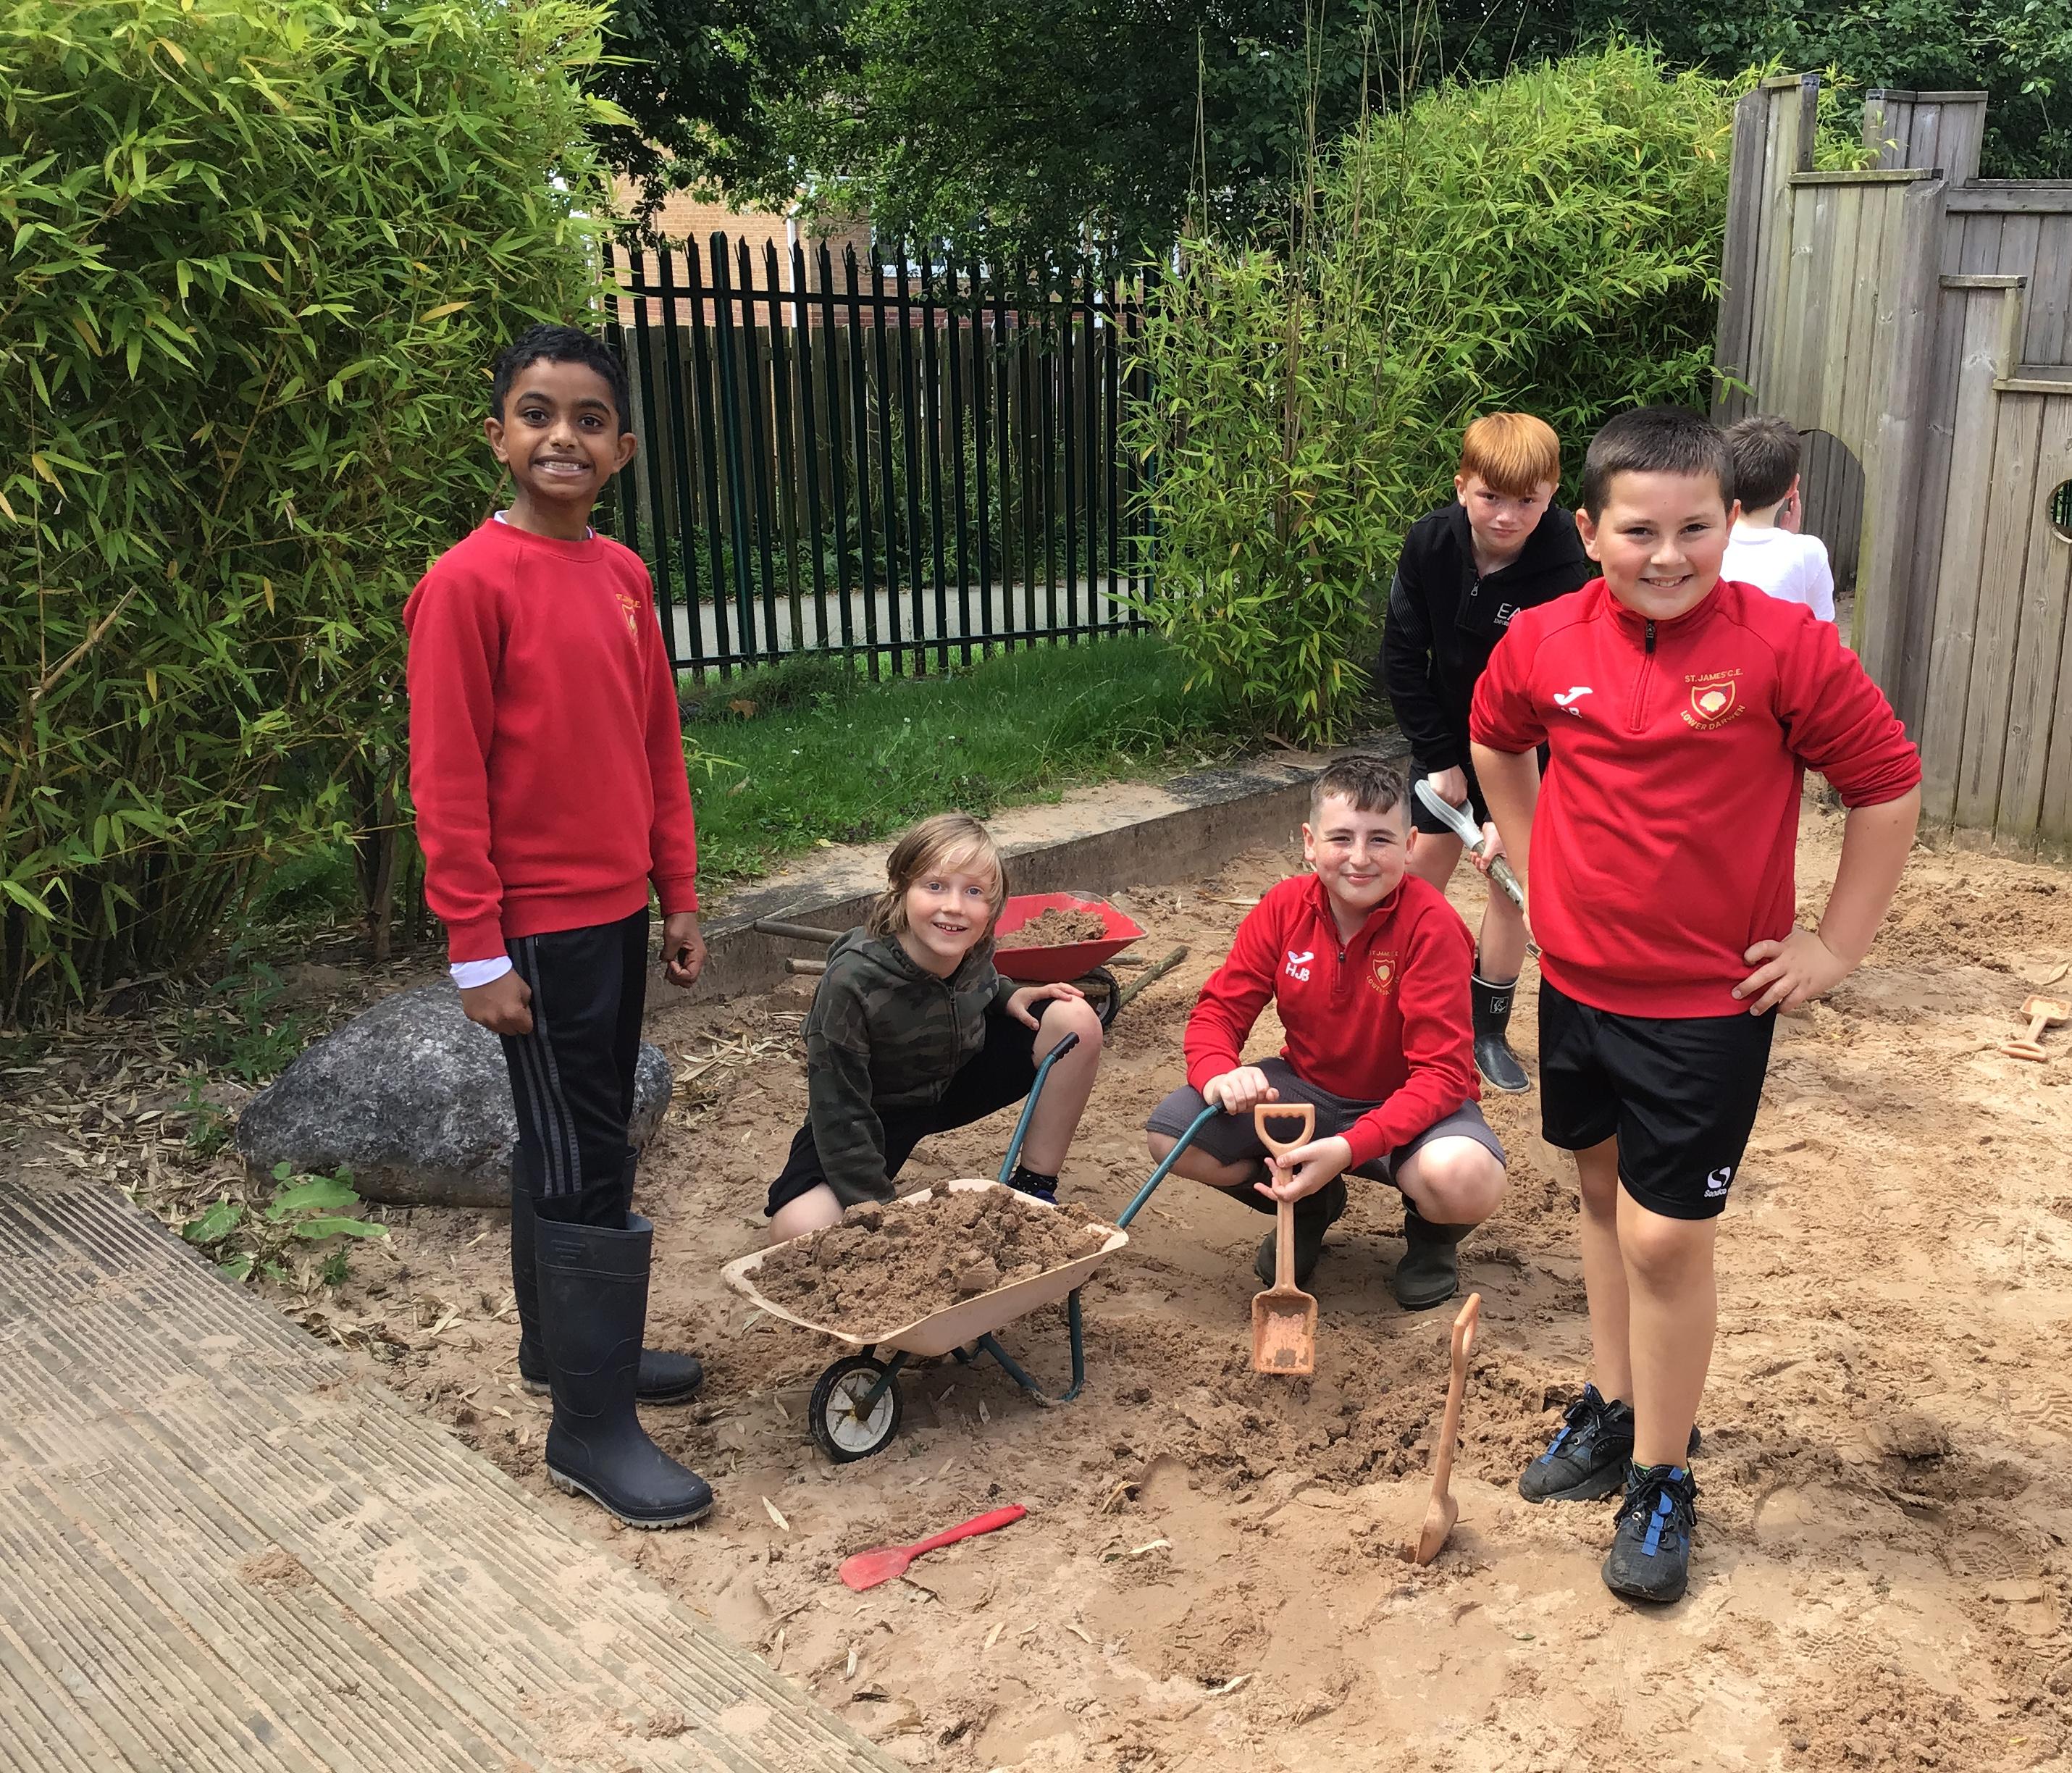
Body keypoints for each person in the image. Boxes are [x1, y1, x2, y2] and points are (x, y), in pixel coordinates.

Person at [1469, 406, 1921, 1603]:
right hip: (1576, 983)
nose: (1666, 556)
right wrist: (1533, 868)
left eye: (1693, 529)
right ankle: (1616, 1404)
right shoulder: (1542, 637)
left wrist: (1834, 943)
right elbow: (1495, 739)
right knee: (1598, 1191)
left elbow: (1885, 783)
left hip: (1706, 1004)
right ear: (1588, 531)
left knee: (1666, 1237)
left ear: (1733, 522)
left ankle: (1662, 1475)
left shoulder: (1783, 647)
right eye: (1637, 531)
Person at [406, 322, 713, 1530]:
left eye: (589, 419)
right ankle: (589, 1428)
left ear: (622, 448)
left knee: (580, 1140)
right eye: (537, 414)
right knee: (579, 1153)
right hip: (533, 932)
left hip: (616, 914)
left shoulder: (623, 577)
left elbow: (654, 745)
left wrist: (676, 890)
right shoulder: (466, 586)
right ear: (498, 436)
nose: (563, 438)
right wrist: (475, 948)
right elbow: (447, 780)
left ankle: (565, 1351)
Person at [1142, 755, 1509, 1310]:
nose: (1359, 858)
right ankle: (1308, 1205)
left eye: (1380, 840)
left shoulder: (1433, 925)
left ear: (1410, 845)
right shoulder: (1283, 907)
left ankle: (1432, 1240)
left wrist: (1348, 1147)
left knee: (1465, 1177)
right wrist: (1219, 1075)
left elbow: (1442, 1075)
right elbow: (1219, 1012)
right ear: (1310, 843)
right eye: (1341, 838)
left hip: (1409, 1103)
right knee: (1173, 1135)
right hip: (1307, 1089)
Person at [765, 813, 1105, 1240]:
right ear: (902, 886)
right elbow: (838, 1106)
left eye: (975, 891)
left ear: (994, 904)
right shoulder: (851, 982)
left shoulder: (971, 941)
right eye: (935, 886)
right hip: (876, 1113)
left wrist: (1005, 995)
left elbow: (972, 982)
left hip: (956, 1080)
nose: (955, 906)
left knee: (1075, 1020)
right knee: (797, 1227)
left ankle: (1033, 1186)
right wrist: (875, 1211)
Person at [1380, 412, 1592, 1094]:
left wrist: (1513, 810)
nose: (1507, 516)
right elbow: (1402, 656)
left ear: (1552, 495)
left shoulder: (1567, 568)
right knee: (1417, 876)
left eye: (1527, 500)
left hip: (1529, 750)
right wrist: (1438, 756)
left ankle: (1488, 1029)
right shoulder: (1429, 544)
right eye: (1490, 497)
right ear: (1461, 487)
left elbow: (1564, 694)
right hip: (1445, 737)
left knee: (1510, 886)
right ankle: (1391, 1010)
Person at [1721, 414, 1835, 623]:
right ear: (1793, 486)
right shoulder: (1808, 552)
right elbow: (1821, 625)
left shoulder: (1709, 544)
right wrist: (1789, 539)